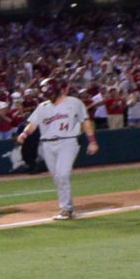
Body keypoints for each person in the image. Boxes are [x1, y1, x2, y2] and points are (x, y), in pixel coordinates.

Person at [22, 78, 100, 219]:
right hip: (47, 144)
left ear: (58, 90)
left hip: (68, 141)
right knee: (57, 177)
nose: (49, 95)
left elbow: (85, 122)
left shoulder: (74, 103)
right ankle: (67, 206)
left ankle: (66, 209)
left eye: (51, 92)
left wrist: (92, 141)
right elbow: (33, 124)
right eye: (47, 93)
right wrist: (24, 133)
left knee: (63, 174)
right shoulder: (43, 106)